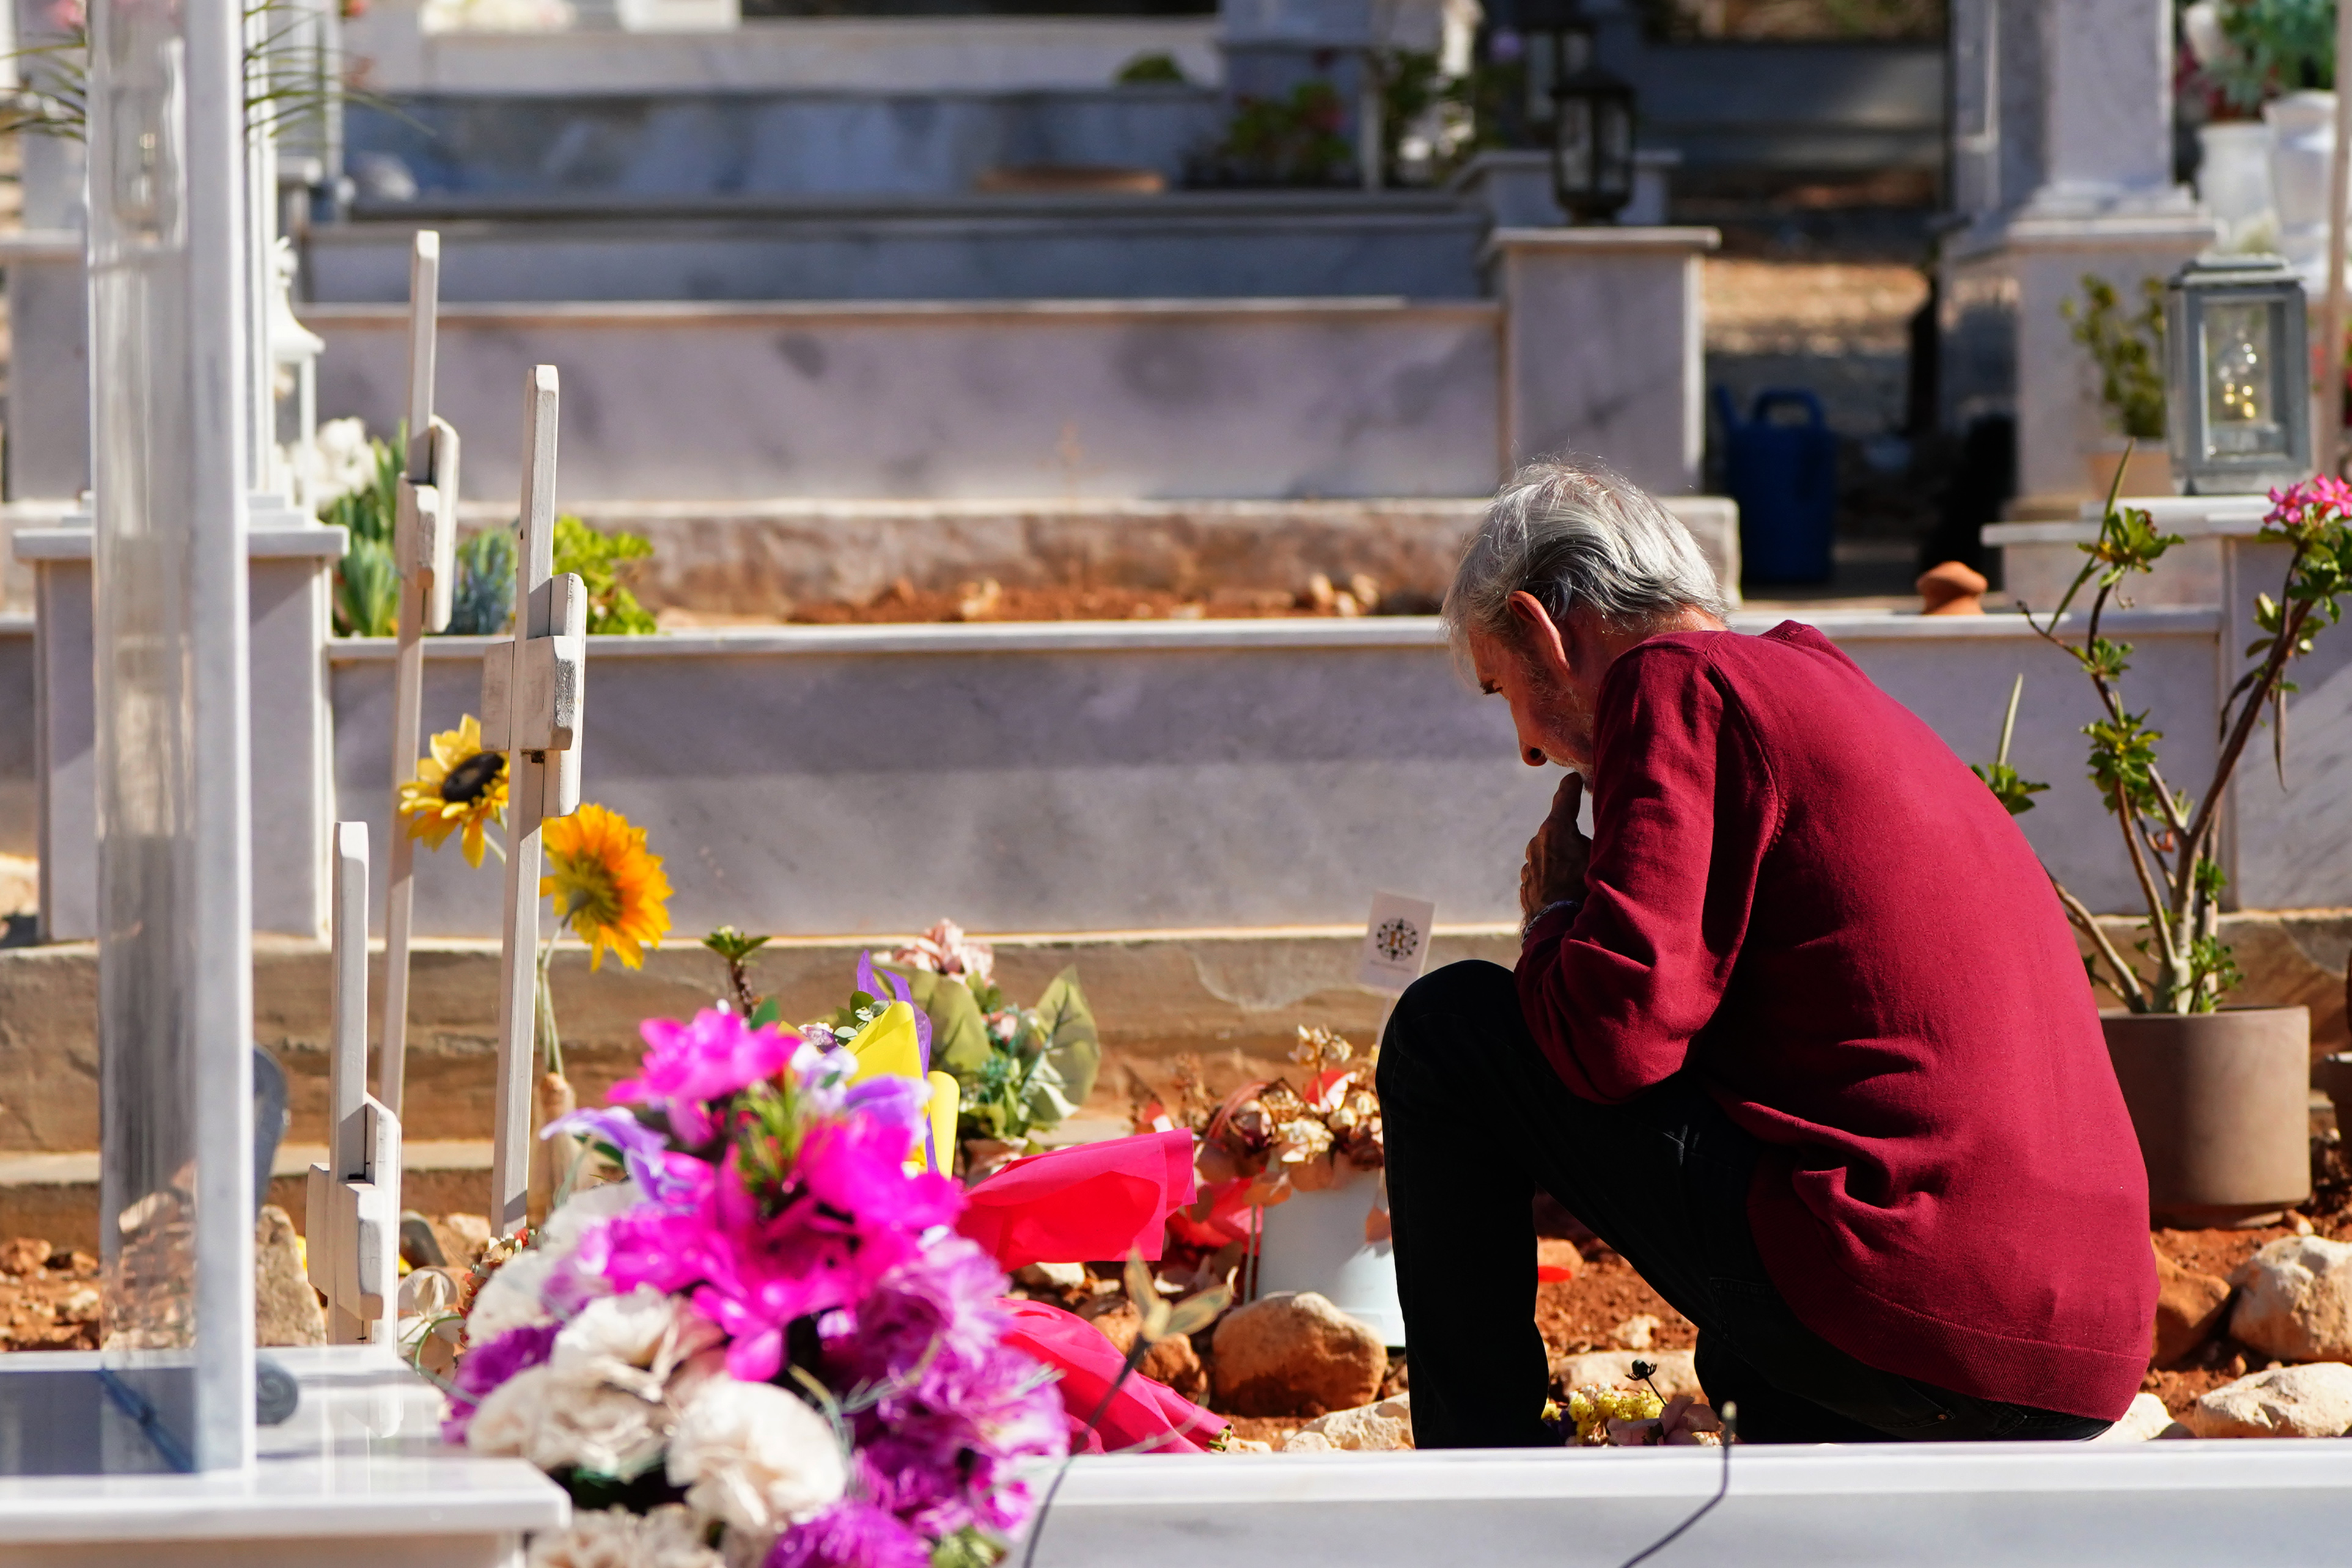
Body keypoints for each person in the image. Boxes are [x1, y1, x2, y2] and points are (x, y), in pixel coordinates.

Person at [1378, 458, 2155, 1446]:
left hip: (1906, 1301)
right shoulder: (1816, 679)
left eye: (1503, 691)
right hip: (2080, 1356)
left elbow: (1610, 1040)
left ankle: (1483, 1482)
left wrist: (1553, 917)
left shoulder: (1674, 683)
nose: (1528, 747)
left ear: (1543, 629)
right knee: (1747, 1350)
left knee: (1449, 1032)